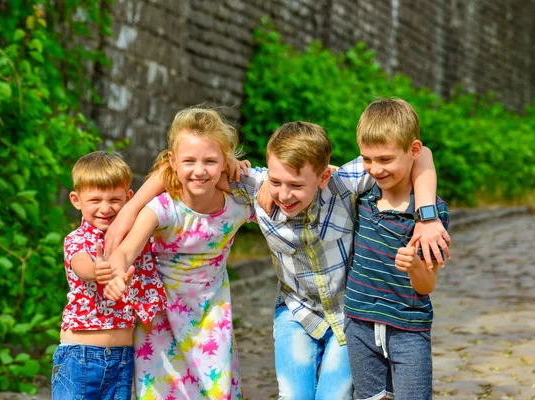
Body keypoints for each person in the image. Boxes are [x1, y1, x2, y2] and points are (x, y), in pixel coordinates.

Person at [106, 117, 450, 399]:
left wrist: (428, 215)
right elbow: (182, 167)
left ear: (323, 176)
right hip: (296, 313)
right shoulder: (255, 185)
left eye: (297, 186)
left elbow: (419, 153)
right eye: (277, 181)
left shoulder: (344, 183)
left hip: (348, 316)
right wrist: (130, 211)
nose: (284, 195)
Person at [104, 107, 256, 399]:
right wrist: (118, 272)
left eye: (210, 161)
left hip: (211, 315)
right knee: (161, 392)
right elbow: (126, 249)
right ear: (172, 161)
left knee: (217, 389)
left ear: (225, 161)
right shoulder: (163, 207)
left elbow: (276, 195)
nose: (199, 171)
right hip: (161, 317)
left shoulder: (237, 205)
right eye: (189, 161)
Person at [344, 99, 450, 400]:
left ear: (413, 151)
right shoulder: (362, 197)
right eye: (367, 159)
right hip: (358, 323)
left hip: (408, 330)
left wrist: (415, 265)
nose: (375, 169)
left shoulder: (431, 214)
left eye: (385, 159)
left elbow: (427, 284)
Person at [52, 151, 166, 399]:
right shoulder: (78, 239)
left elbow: (169, 176)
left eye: (115, 199)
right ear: (76, 200)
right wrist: (95, 270)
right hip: (80, 356)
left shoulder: (135, 238)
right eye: (95, 200)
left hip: (122, 359)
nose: (105, 208)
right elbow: (79, 263)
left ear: (129, 198)